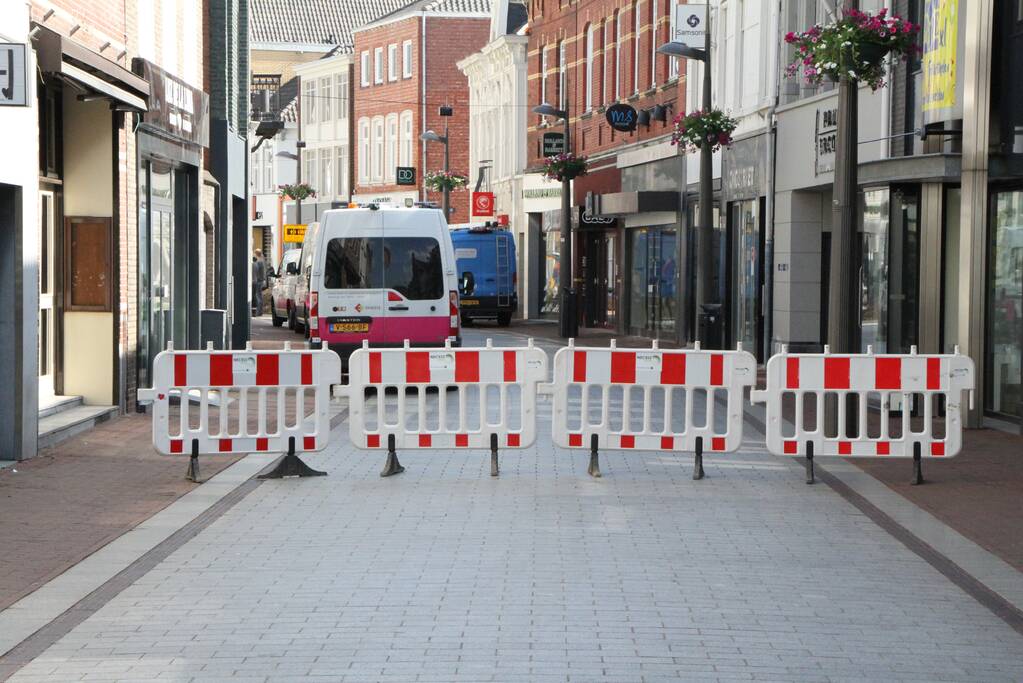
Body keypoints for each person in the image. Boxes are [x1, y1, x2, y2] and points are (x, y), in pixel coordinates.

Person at [251, 249, 266, 316]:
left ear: (256, 254)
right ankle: (260, 311)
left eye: (254, 253)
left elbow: (256, 272)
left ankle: (259, 312)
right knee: (259, 296)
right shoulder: (262, 260)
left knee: (258, 296)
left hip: (258, 281)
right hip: (261, 280)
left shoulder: (259, 262)